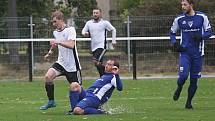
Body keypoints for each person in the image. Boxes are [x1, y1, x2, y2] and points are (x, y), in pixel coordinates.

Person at [170, 0, 212, 109]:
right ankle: (179, 87)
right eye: (182, 5)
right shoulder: (179, 19)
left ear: (191, 5)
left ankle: (188, 102)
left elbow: (209, 32)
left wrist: (201, 36)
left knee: (194, 80)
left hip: (198, 54)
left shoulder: (202, 17)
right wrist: (175, 44)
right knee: (183, 76)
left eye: (185, 4)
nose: (183, 7)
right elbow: (172, 33)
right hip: (185, 53)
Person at [40, 10, 82, 110]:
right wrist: (49, 53)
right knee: (48, 77)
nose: (53, 24)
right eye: (53, 22)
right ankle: (51, 101)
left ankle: (82, 105)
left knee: (77, 88)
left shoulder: (70, 30)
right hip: (61, 63)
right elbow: (55, 44)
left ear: (61, 20)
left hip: (72, 65)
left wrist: (58, 41)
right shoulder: (55, 32)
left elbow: (71, 45)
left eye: (55, 21)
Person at [82, 8, 116, 77]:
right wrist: (85, 33)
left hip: (102, 46)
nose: (95, 14)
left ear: (100, 14)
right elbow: (83, 31)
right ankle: (104, 76)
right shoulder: (89, 23)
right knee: (97, 64)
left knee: (95, 61)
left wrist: (113, 40)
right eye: (94, 13)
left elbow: (113, 29)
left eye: (97, 13)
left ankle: (106, 74)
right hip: (94, 47)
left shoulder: (104, 23)